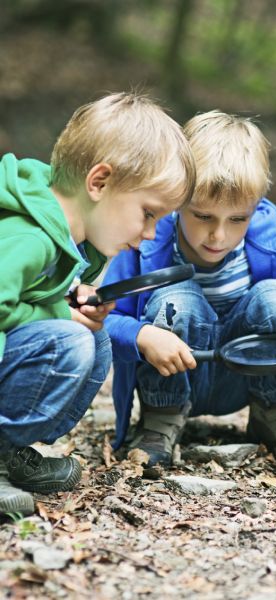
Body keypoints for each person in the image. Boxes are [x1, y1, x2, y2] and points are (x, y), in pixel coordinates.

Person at [0, 92, 196, 516]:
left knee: (95, 340)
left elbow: (30, 298)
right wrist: (59, 314)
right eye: (148, 213)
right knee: (69, 341)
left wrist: (72, 300)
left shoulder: (68, 240)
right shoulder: (29, 236)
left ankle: (9, 452)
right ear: (99, 182)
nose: (150, 234)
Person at [104, 110, 276, 468]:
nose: (219, 236)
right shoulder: (148, 242)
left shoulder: (269, 239)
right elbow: (107, 322)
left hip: (246, 374)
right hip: (174, 372)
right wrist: (143, 335)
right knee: (178, 297)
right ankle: (161, 418)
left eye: (238, 219)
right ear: (177, 201)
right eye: (203, 216)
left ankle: (275, 411)